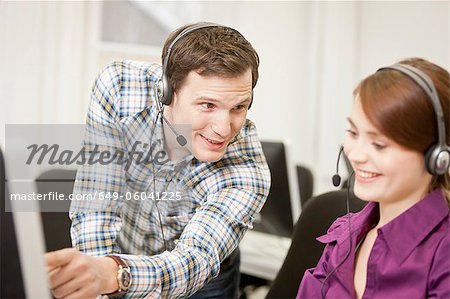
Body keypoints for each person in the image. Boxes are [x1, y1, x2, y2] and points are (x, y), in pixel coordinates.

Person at [45, 22, 270, 299]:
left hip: (201, 279)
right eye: (208, 105)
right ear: (168, 92)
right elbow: (96, 204)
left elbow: (194, 259)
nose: (224, 128)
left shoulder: (247, 171)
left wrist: (113, 274)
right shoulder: (121, 89)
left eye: (238, 107)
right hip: (119, 252)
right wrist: (100, 280)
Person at [297, 58, 450, 298]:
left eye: (379, 144)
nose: (355, 155)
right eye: (353, 133)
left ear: (435, 156)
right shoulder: (345, 234)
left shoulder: (443, 256)